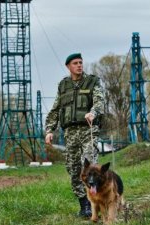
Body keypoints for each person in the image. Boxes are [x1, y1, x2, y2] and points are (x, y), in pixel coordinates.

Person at [45, 53, 105, 218]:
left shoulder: (92, 81)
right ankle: (83, 205)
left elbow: (100, 101)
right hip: (70, 133)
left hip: (88, 130)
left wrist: (93, 112)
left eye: (80, 62)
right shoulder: (63, 86)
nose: (79, 65)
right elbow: (55, 110)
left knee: (89, 165)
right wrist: (49, 130)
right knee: (73, 169)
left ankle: (96, 203)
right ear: (68, 66)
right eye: (75, 63)